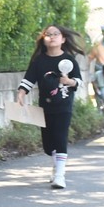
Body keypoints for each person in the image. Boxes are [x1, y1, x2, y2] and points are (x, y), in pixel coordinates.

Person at [15, 25, 85, 189]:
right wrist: (21, 93)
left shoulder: (69, 59)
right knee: (48, 145)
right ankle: (56, 166)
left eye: (56, 34)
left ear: (63, 39)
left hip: (64, 106)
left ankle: (60, 175)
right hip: (44, 107)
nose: (52, 37)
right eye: (48, 34)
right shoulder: (39, 61)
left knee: (60, 138)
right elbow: (29, 79)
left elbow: (79, 81)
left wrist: (69, 82)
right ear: (43, 39)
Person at [88, 28, 104, 113]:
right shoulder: (97, 46)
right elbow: (90, 58)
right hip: (100, 69)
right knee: (98, 90)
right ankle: (100, 109)